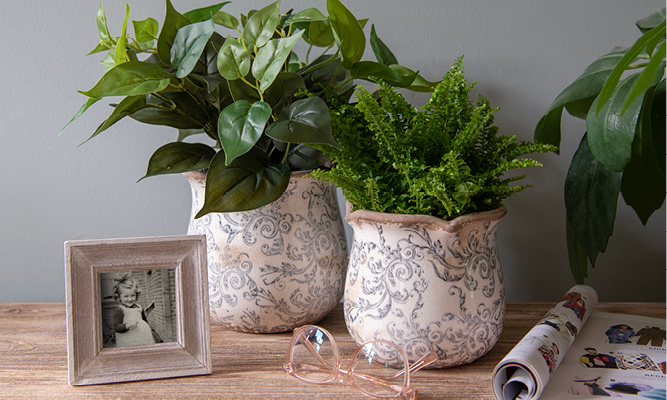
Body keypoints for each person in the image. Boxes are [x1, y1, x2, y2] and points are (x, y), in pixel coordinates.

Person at [111, 275, 157, 347]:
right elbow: (116, 327)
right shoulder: (119, 310)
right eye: (126, 296)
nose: (130, 299)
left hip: (143, 338)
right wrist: (127, 326)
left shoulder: (139, 307)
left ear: (136, 295)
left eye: (132, 295)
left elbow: (145, 321)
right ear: (119, 297)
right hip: (128, 340)